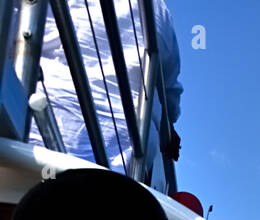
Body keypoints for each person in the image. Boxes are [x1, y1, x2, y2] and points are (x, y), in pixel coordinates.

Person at [27, 0, 183, 192]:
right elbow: (170, 92)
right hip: (115, 172)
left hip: (30, 142)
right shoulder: (156, 9)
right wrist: (168, 126)